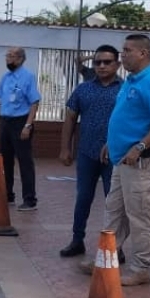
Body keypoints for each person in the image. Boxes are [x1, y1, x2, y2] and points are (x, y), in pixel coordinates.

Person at [102, 34, 150, 286]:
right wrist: (111, 143)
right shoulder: (131, 81)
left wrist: (140, 146)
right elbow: (127, 118)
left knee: (141, 214)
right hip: (122, 159)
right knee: (114, 211)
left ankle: (141, 268)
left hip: (141, 161)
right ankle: (106, 257)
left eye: (127, 50)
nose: (122, 55)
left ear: (143, 53)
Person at [59, 45, 122, 263]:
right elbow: (70, 117)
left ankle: (116, 246)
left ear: (117, 64)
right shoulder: (83, 89)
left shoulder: (125, 90)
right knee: (83, 198)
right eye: (98, 62)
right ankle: (77, 240)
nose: (102, 66)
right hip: (87, 153)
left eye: (107, 62)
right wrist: (65, 148)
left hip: (115, 156)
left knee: (113, 202)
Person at [0, 47, 42, 211]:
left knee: (24, 161)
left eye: (11, 56)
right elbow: (2, 102)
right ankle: (8, 194)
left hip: (21, 122)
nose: (8, 59)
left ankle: (29, 199)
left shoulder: (28, 77)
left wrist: (28, 125)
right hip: (6, 121)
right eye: (7, 56)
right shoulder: (5, 77)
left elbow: (34, 102)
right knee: (5, 160)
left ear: (20, 59)